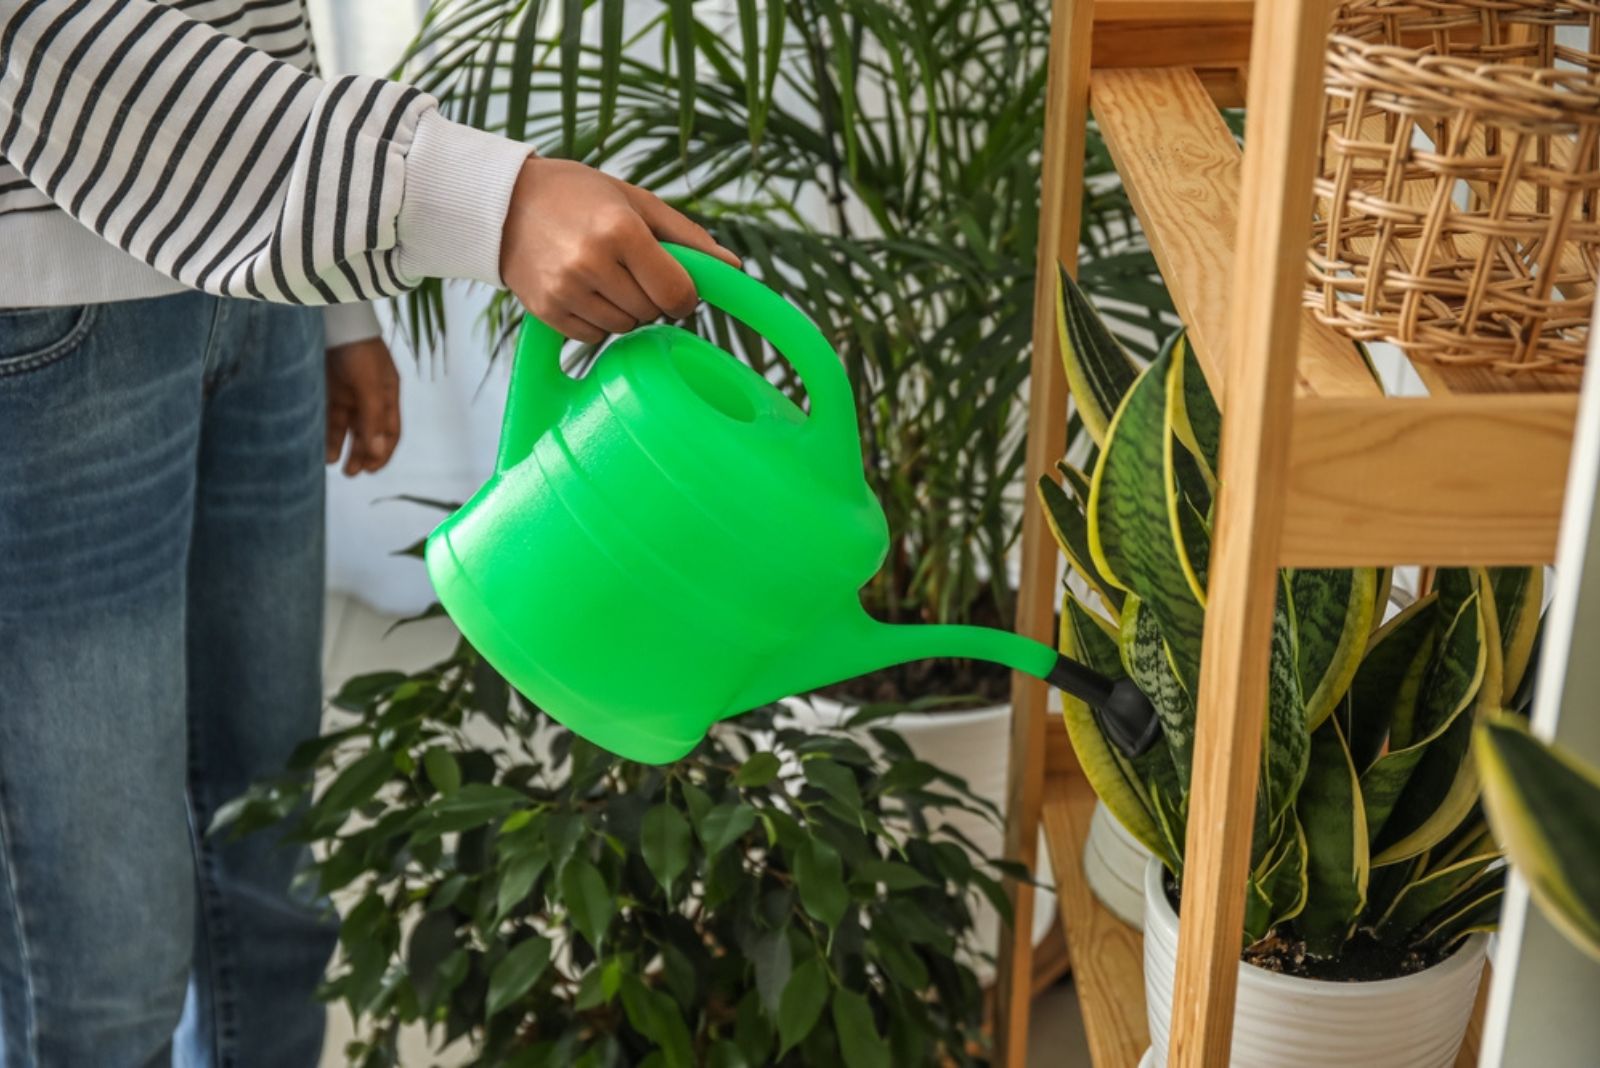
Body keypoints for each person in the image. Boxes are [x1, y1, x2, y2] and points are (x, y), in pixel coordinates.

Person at [0, 2, 738, 1065]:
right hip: (46, 301)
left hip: (250, 277)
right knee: (99, 969)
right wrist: (485, 201)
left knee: (270, 849)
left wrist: (335, 299)